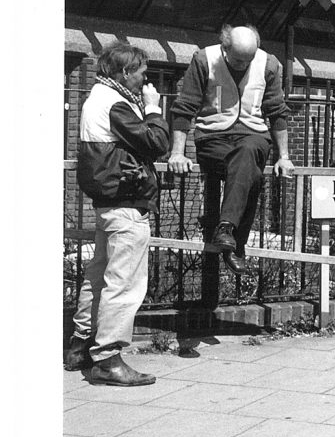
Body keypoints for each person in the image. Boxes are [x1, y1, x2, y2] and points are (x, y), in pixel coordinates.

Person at [68, 43, 170, 386]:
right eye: (141, 72)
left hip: (107, 203)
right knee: (123, 283)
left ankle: (80, 346)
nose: (145, 79)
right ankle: (108, 358)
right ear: (125, 72)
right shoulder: (116, 103)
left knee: (97, 277)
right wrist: (154, 110)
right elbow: (156, 143)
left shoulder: (97, 96)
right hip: (126, 205)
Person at [168, 25, 293, 274]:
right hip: (213, 138)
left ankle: (225, 228)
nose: (242, 65)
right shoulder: (204, 60)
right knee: (252, 174)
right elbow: (185, 108)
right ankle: (238, 244)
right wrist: (177, 152)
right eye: (237, 60)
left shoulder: (269, 64)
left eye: (248, 60)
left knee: (248, 151)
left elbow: (277, 112)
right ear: (225, 48)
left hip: (253, 136)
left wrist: (284, 157)